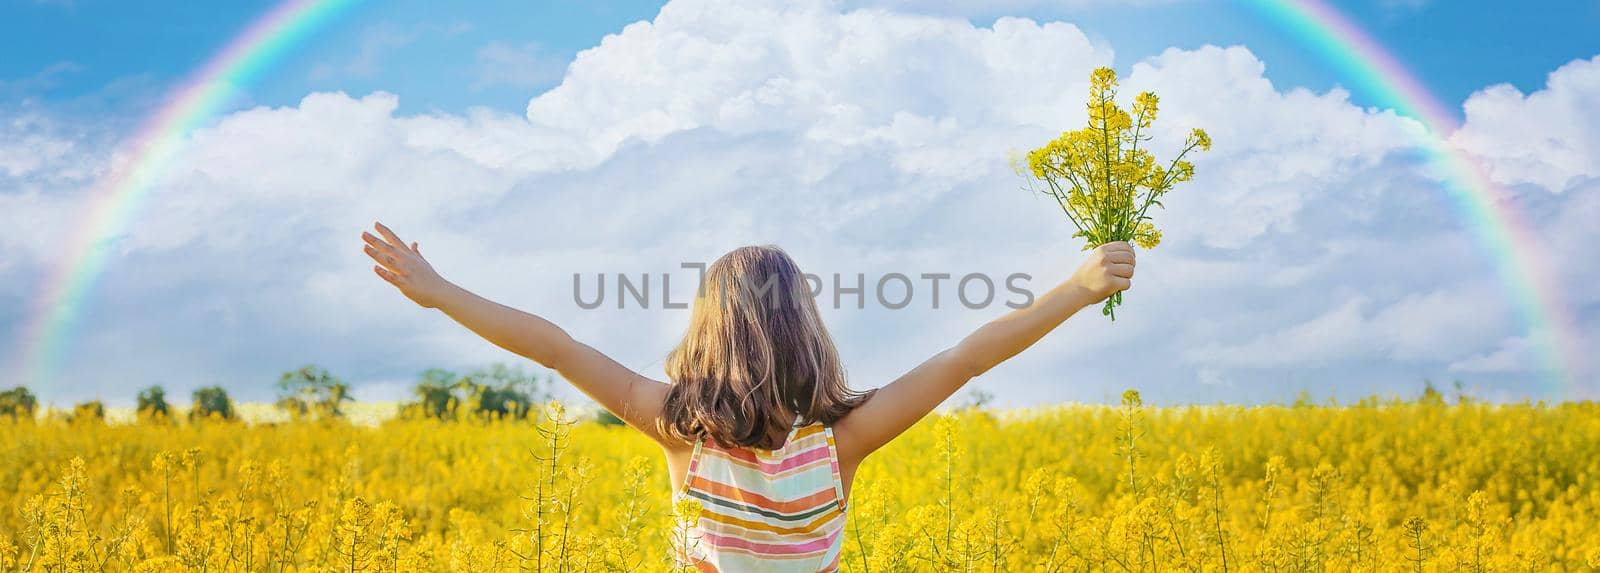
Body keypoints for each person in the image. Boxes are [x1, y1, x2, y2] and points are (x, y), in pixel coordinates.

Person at [360, 221, 1134, 572]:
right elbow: (964, 358)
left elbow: (554, 345)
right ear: (807, 327)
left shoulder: (676, 429)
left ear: (708, 328)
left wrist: (441, 293)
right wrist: (1075, 287)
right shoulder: (844, 441)